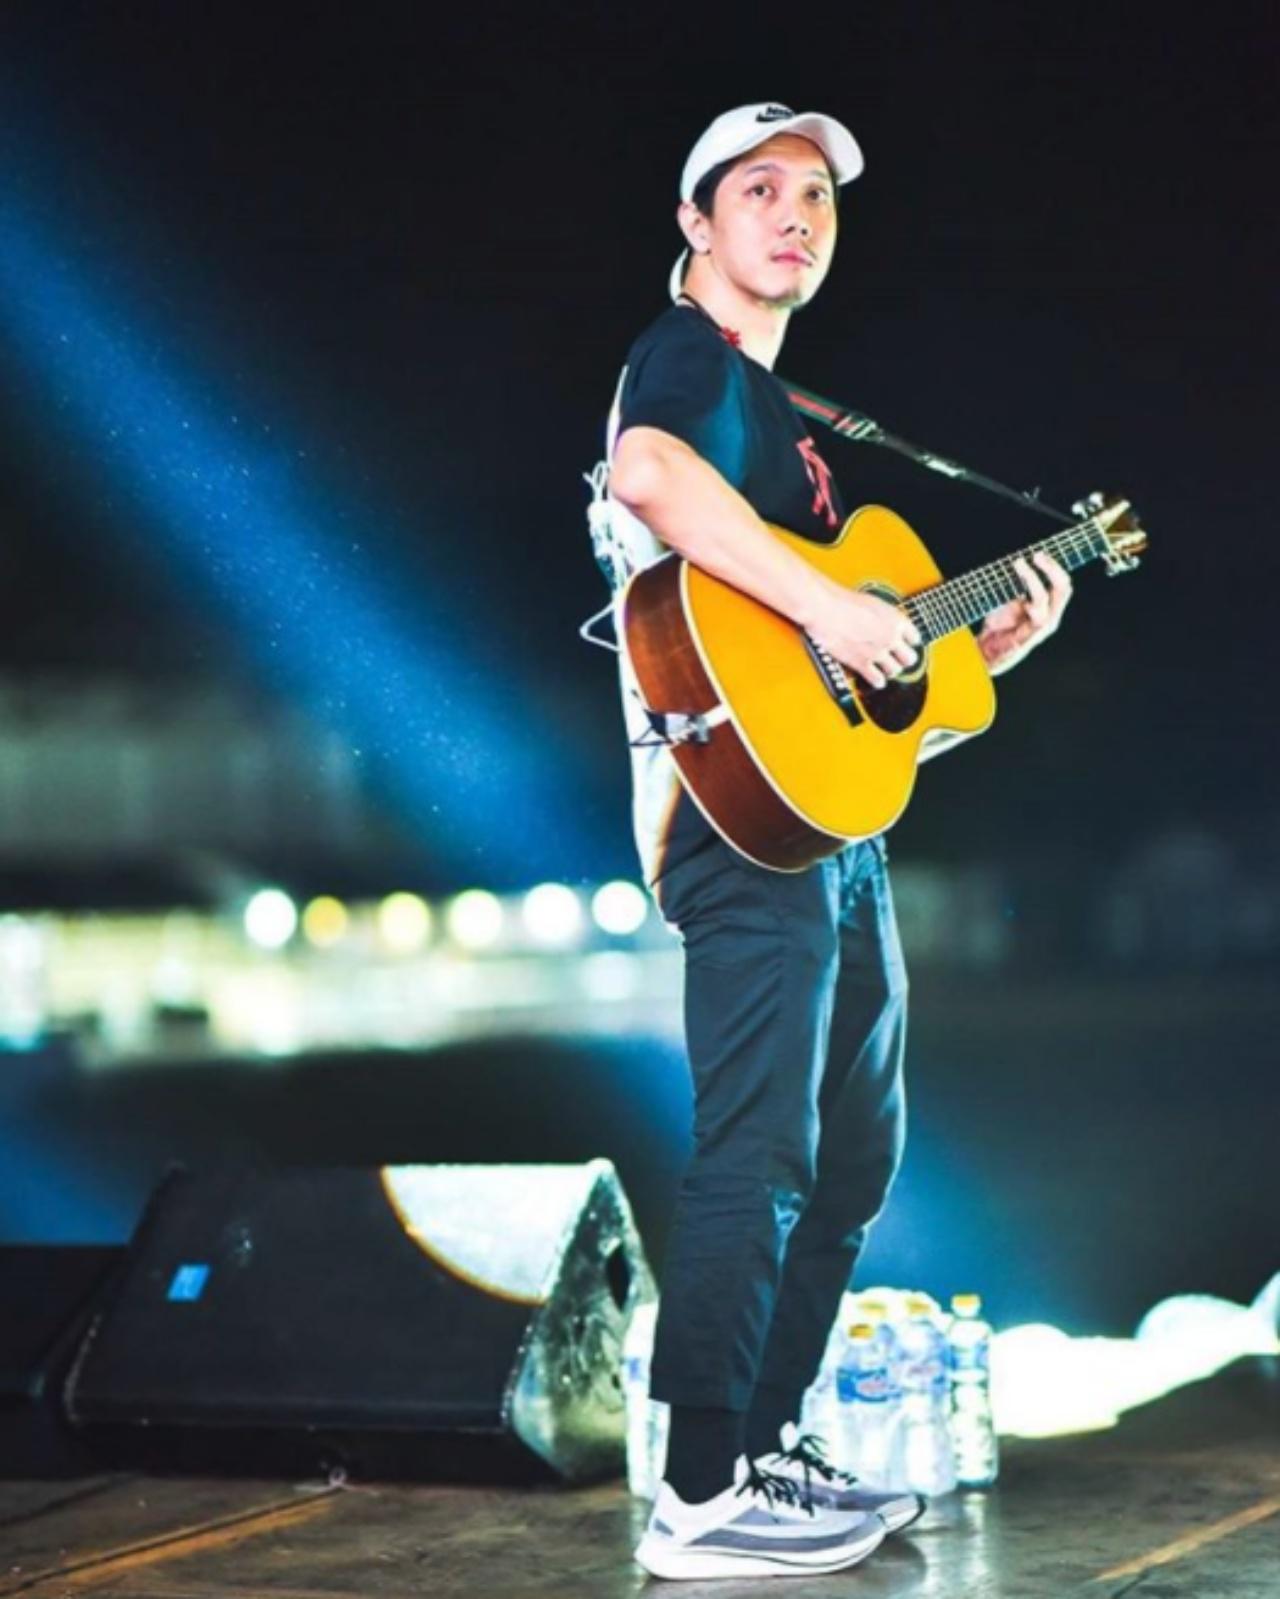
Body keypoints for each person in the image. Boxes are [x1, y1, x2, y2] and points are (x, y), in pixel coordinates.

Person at [599, 103, 1072, 1581]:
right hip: (730, 827)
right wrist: (829, 607)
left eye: (817, 195)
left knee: (856, 1156)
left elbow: (838, 711)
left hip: (818, 826)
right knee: (762, 1148)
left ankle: (760, 1449)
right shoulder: (688, 358)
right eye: (759, 189)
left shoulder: (791, 427)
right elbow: (649, 479)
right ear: (697, 224)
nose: (796, 213)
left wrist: (970, 658)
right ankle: (698, 1492)